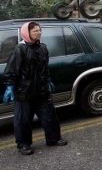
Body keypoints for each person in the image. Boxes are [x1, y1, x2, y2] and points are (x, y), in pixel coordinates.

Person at [3, 21, 67, 155]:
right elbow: (11, 70)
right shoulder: (20, 49)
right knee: (23, 121)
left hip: (42, 91)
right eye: (35, 31)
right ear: (27, 33)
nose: (39, 32)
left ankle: (53, 139)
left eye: (39, 30)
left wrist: (48, 80)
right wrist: (10, 86)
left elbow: (45, 68)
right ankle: (24, 145)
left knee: (49, 116)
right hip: (24, 92)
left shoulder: (43, 48)